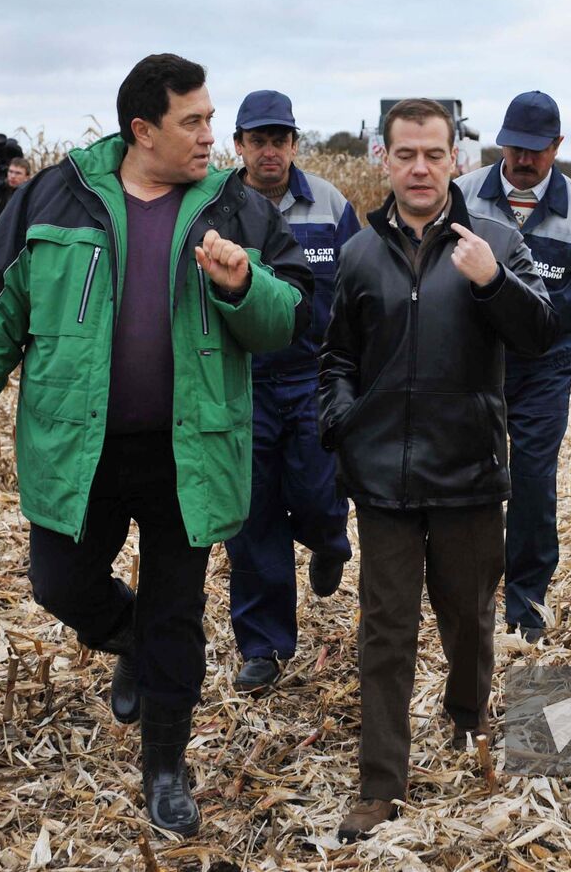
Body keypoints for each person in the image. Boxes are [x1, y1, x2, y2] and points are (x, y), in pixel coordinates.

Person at [0, 53, 313, 835]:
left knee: (178, 613)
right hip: (80, 446)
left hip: (189, 451)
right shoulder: (53, 197)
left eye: (209, 118)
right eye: (192, 121)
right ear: (142, 129)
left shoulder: (239, 209)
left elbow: (289, 319)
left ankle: (166, 765)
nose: (210, 137)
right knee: (58, 581)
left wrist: (242, 287)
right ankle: (128, 638)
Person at [319, 98, 557, 840]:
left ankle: (466, 716)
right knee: (385, 629)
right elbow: (336, 358)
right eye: (405, 154)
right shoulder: (360, 253)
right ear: (383, 160)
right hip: (384, 478)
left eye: (433, 153)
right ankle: (380, 783)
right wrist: (343, 420)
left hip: (467, 472)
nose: (419, 167)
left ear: (456, 158)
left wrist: (491, 281)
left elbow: (539, 333)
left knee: (466, 617)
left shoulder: (493, 241)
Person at [455, 91, 571, 644]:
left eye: (536, 151)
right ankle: (470, 588)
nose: (522, 160)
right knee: (471, 476)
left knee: (533, 481)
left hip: (544, 366)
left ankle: (526, 598)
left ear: (557, 147)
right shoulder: (462, 196)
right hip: (474, 362)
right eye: (514, 147)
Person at [223, 90, 360, 693]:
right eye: (258, 140)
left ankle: (330, 541)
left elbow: (359, 288)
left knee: (318, 492)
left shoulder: (331, 206)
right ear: (239, 146)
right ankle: (264, 645)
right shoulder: (215, 208)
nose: (270, 150)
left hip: (313, 379)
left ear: (294, 144)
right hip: (242, 382)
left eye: (280, 139)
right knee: (252, 518)